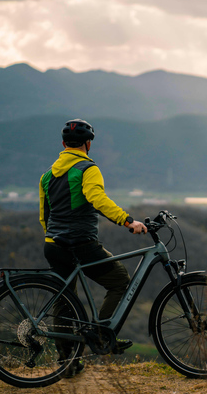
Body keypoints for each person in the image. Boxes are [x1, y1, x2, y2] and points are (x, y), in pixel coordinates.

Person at [39, 118, 147, 377]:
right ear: (87, 144)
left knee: (65, 302)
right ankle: (100, 335)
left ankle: (67, 364)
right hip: (80, 244)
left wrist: (55, 237)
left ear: (64, 144)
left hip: (53, 245)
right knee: (120, 281)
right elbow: (97, 198)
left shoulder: (46, 177)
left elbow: (44, 216)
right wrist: (128, 220)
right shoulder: (87, 169)